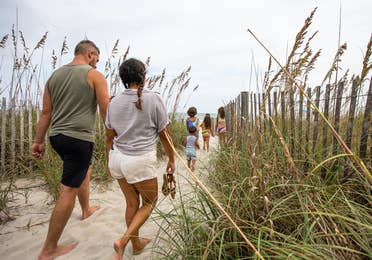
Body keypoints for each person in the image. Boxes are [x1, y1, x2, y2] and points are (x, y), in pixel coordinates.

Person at [31, 40, 110, 260]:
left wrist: (38, 142)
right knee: (68, 190)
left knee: (85, 168)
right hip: (79, 139)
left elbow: (46, 113)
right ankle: (49, 249)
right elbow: (106, 112)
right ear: (91, 53)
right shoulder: (95, 75)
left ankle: (85, 210)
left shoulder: (54, 77)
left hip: (57, 137)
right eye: (96, 58)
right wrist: (114, 139)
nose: (96, 63)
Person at [105, 58, 175, 259]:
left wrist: (108, 162)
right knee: (149, 202)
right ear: (143, 76)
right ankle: (124, 241)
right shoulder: (153, 98)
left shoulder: (114, 102)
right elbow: (164, 134)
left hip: (117, 158)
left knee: (131, 204)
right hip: (139, 160)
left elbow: (109, 137)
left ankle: (136, 244)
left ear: (124, 78)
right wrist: (171, 159)